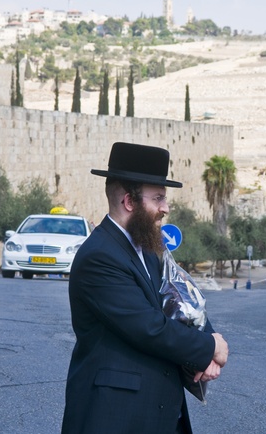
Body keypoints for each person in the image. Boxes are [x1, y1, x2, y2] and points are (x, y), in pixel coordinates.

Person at [61, 142, 229, 434]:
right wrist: (210, 347)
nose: (165, 207)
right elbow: (150, 328)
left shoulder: (147, 248)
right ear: (130, 201)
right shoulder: (100, 256)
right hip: (115, 417)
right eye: (158, 198)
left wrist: (208, 338)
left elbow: (178, 300)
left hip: (159, 414)